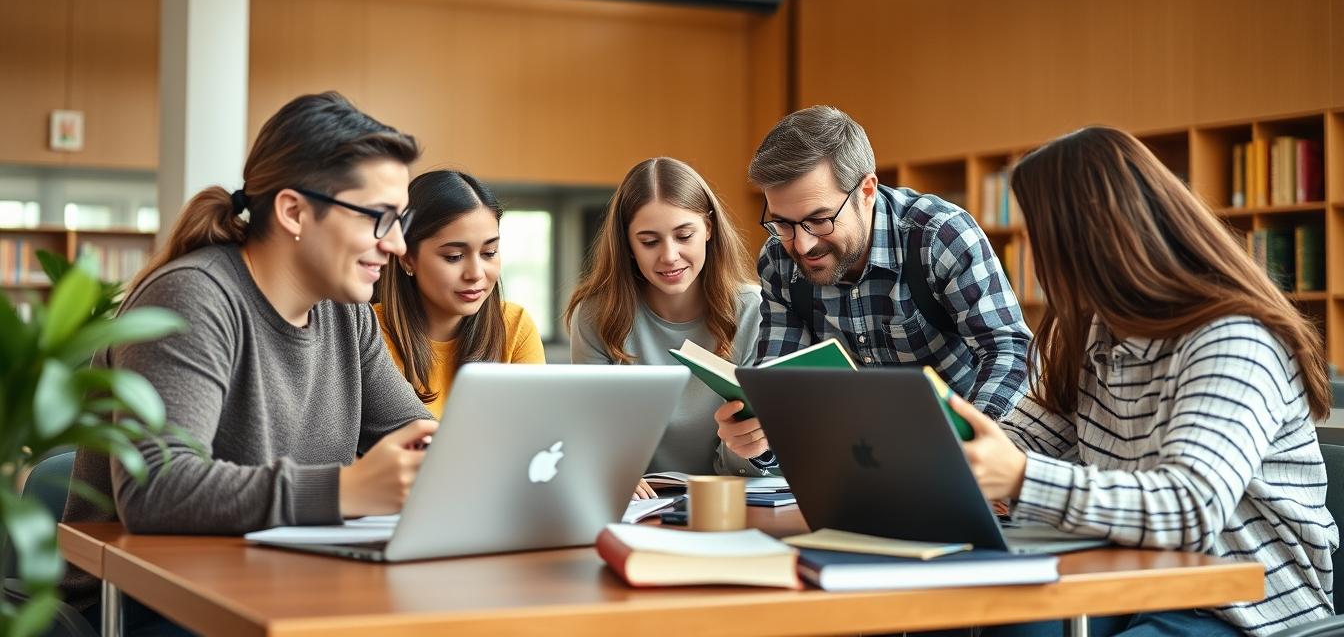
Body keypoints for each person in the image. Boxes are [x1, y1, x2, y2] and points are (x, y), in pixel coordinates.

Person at [60, 92, 437, 631]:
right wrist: (345, 490)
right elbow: (157, 489)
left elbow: (417, 436)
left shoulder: (346, 315)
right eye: (379, 218)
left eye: (402, 220)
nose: (398, 245)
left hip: (286, 589)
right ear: (293, 211)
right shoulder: (192, 297)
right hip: (147, 605)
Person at [950, 126, 1336, 636]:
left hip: (1242, 607)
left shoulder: (1234, 339)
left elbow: (1190, 508)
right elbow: (1025, 441)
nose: (1036, 258)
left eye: (1039, 236)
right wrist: (949, 458)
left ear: (1085, 241)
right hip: (1131, 579)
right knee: (1000, 625)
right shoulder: (1088, 332)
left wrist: (1021, 478)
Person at [722, 105, 1031, 467]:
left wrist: (972, 454)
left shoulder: (939, 237)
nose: (802, 246)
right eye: (783, 223)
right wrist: (760, 438)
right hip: (857, 462)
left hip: (960, 456)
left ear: (866, 191)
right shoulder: (779, 259)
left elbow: (1009, 351)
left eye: (819, 220)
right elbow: (780, 387)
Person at [565, 157, 767, 483]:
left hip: (726, 493)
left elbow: (745, 462)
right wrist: (612, 471)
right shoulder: (595, 315)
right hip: (636, 502)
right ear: (628, 245)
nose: (670, 256)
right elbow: (593, 438)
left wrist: (747, 445)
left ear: (709, 228)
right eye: (649, 242)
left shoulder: (753, 310)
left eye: (684, 236)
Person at [375, 170, 544, 418]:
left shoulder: (515, 326)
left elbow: (535, 427)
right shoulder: (367, 333)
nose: (476, 274)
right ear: (407, 258)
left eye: (489, 253)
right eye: (454, 257)